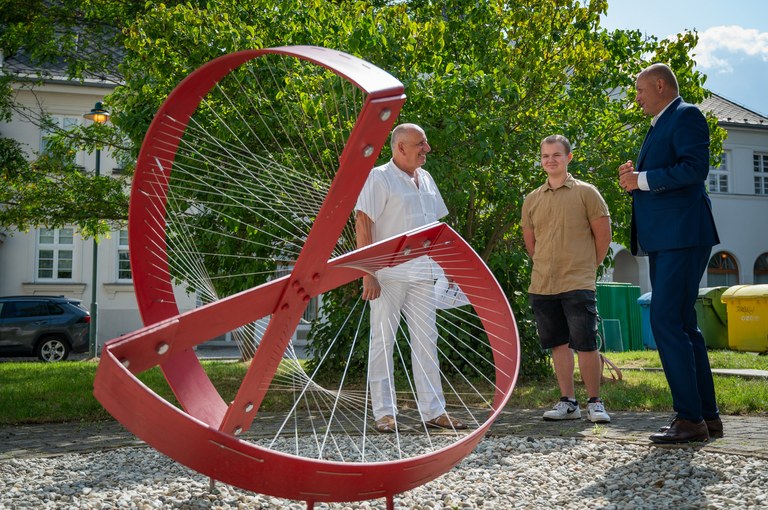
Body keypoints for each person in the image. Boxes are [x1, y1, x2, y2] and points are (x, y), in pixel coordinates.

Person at [619, 63, 722, 444]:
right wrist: (634, 180)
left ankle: (689, 419)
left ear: (660, 85)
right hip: (668, 237)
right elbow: (664, 174)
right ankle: (706, 417)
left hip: (682, 235)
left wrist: (641, 179)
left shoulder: (686, 115)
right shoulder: (659, 124)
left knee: (664, 321)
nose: (637, 97)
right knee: (683, 325)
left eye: (640, 90)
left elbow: (694, 170)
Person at [355, 123, 466, 433]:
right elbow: (362, 225)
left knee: (427, 340)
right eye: (420, 144)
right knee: (383, 342)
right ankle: (384, 414)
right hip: (387, 275)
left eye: (426, 143)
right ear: (400, 147)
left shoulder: (427, 179)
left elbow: (438, 230)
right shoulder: (379, 177)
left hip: (423, 273)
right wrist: (368, 274)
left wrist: (450, 268)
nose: (426, 149)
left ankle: (433, 411)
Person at [521, 134, 613, 424]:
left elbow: (604, 237)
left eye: (556, 155)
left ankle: (595, 403)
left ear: (568, 157)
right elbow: (531, 243)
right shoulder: (532, 199)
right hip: (543, 283)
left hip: (578, 282)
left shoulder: (587, 193)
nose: (550, 160)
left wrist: (586, 267)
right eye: (545, 155)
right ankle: (568, 402)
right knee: (558, 344)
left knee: (586, 343)